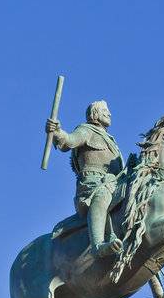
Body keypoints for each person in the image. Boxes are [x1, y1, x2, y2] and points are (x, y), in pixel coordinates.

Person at [46, 100, 125, 263]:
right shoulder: (86, 130)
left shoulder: (111, 140)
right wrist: (57, 131)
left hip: (114, 182)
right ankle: (97, 245)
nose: (109, 114)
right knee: (102, 195)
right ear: (95, 114)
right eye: (105, 110)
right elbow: (68, 141)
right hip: (93, 184)